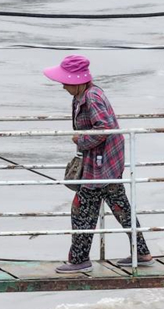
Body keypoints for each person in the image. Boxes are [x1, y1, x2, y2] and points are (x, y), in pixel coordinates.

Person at [44, 55, 152, 273]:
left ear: (78, 80)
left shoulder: (91, 97)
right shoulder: (83, 95)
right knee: (120, 207)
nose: (63, 85)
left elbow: (104, 128)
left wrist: (81, 140)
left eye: (65, 81)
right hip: (102, 161)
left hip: (103, 163)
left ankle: (79, 260)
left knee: (82, 208)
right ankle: (142, 253)